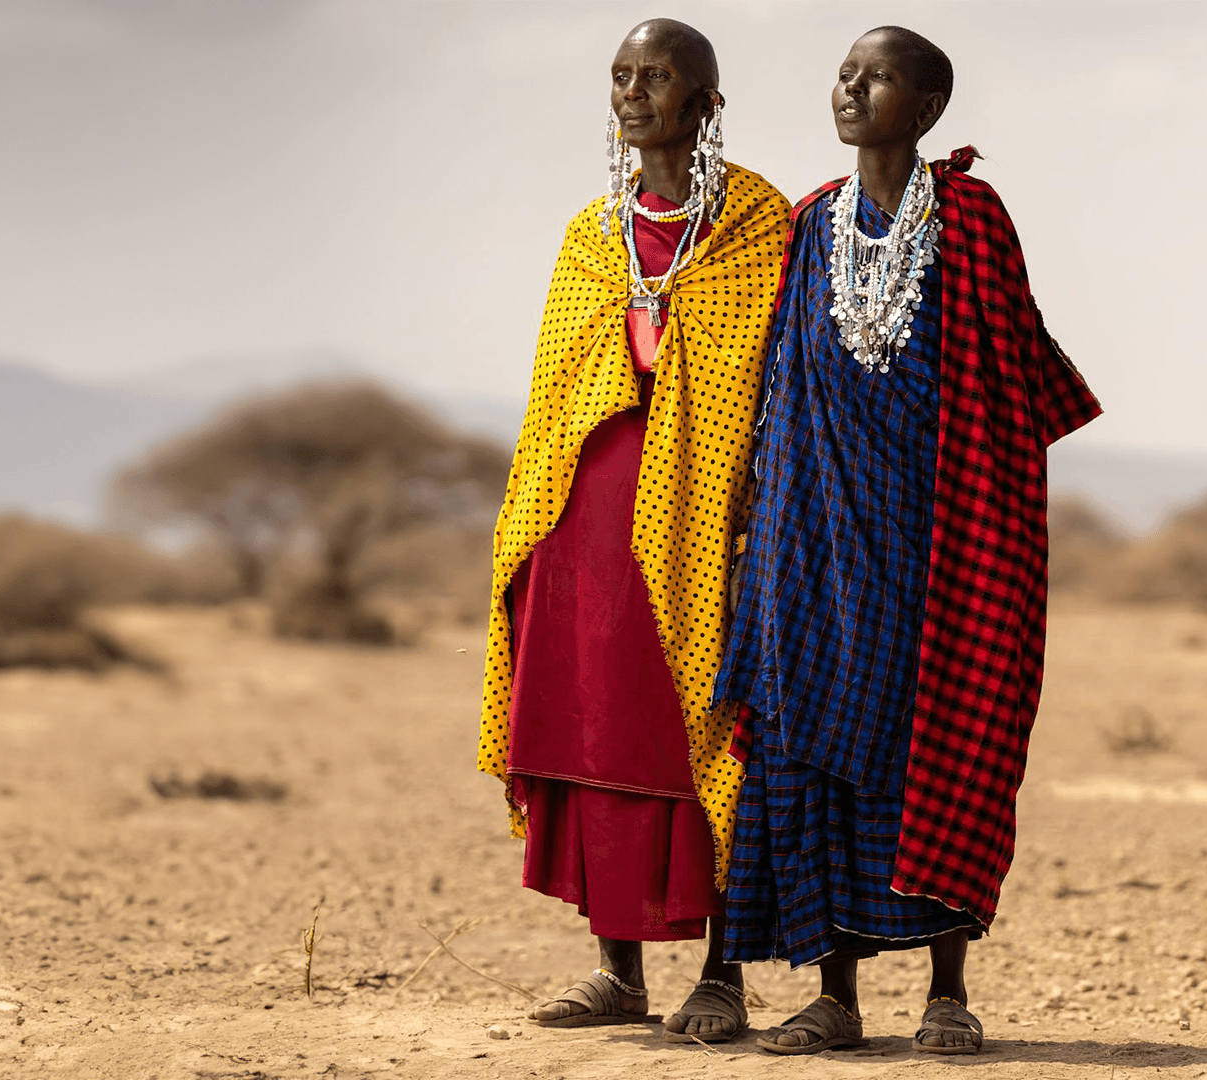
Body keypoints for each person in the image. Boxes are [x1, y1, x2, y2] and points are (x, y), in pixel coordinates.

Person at [713, 26, 1101, 1056]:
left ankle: (947, 990)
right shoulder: (808, 223)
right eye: (845, 72)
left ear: (925, 109)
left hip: (940, 535)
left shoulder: (972, 219)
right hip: (813, 541)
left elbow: (1009, 369)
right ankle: (832, 993)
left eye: (876, 76)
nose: (851, 88)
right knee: (811, 746)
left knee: (936, 740)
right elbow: (781, 384)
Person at [477, 18, 789, 1043]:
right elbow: (558, 385)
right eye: (620, 75)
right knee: (595, 724)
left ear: (706, 99)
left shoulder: (757, 222)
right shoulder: (589, 232)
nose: (633, 91)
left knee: (705, 725)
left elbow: (777, 378)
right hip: (587, 514)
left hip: (708, 512)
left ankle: (725, 974)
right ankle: (615, 971)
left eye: (658, 75)